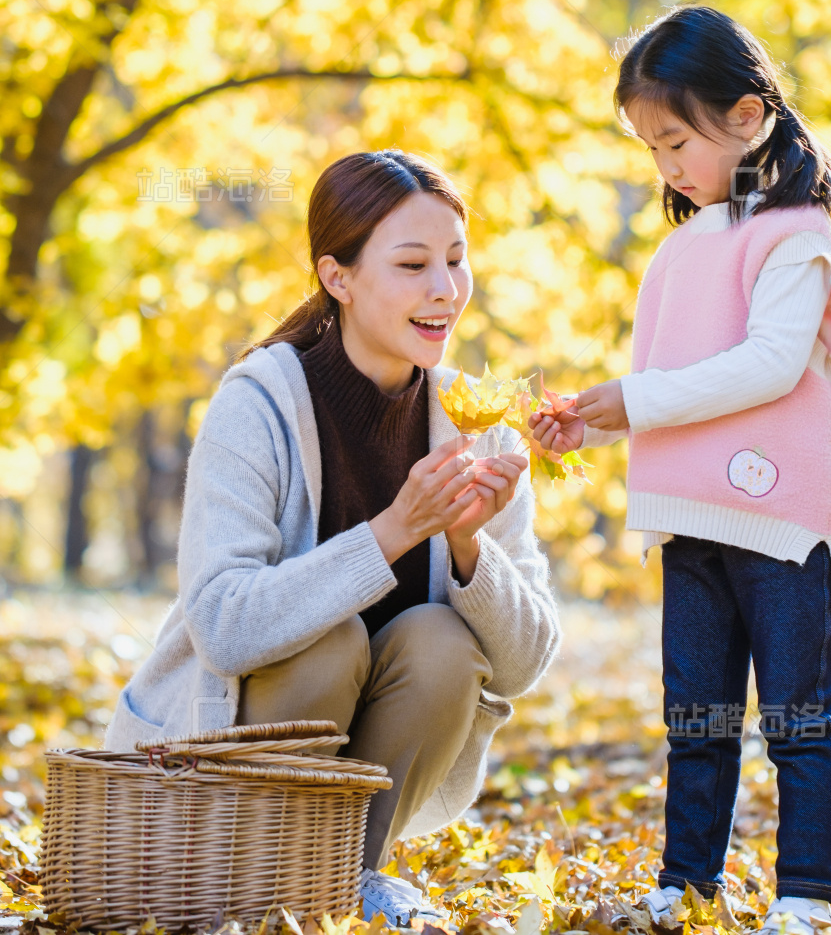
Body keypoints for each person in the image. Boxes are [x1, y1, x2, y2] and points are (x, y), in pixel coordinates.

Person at [106, 150, 560, 928]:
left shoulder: (475, 424)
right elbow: (222, 624)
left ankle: (346, 878)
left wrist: (468, 549)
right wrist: (395, 531)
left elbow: (520, 667)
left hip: (367, 771)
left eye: (456, 260)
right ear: (337, 277)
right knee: (329, 639)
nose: (445, 289)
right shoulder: (258, 404)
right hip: (228, 766)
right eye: (412, 264)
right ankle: (264, 882)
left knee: (444, 642)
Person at [532, 6, 831, 935]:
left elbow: (769, 366)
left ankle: (807, 894)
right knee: (698, 720)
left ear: (749, 116)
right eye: (650, 148)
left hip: (782, 517)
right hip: (691, 516)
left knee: (798, 718)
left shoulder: (795, 232)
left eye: (675, 142)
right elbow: (673, 383)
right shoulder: (683, 249)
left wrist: (634, 399)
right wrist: (595, 421)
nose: (665, 168)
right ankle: (686, 886)